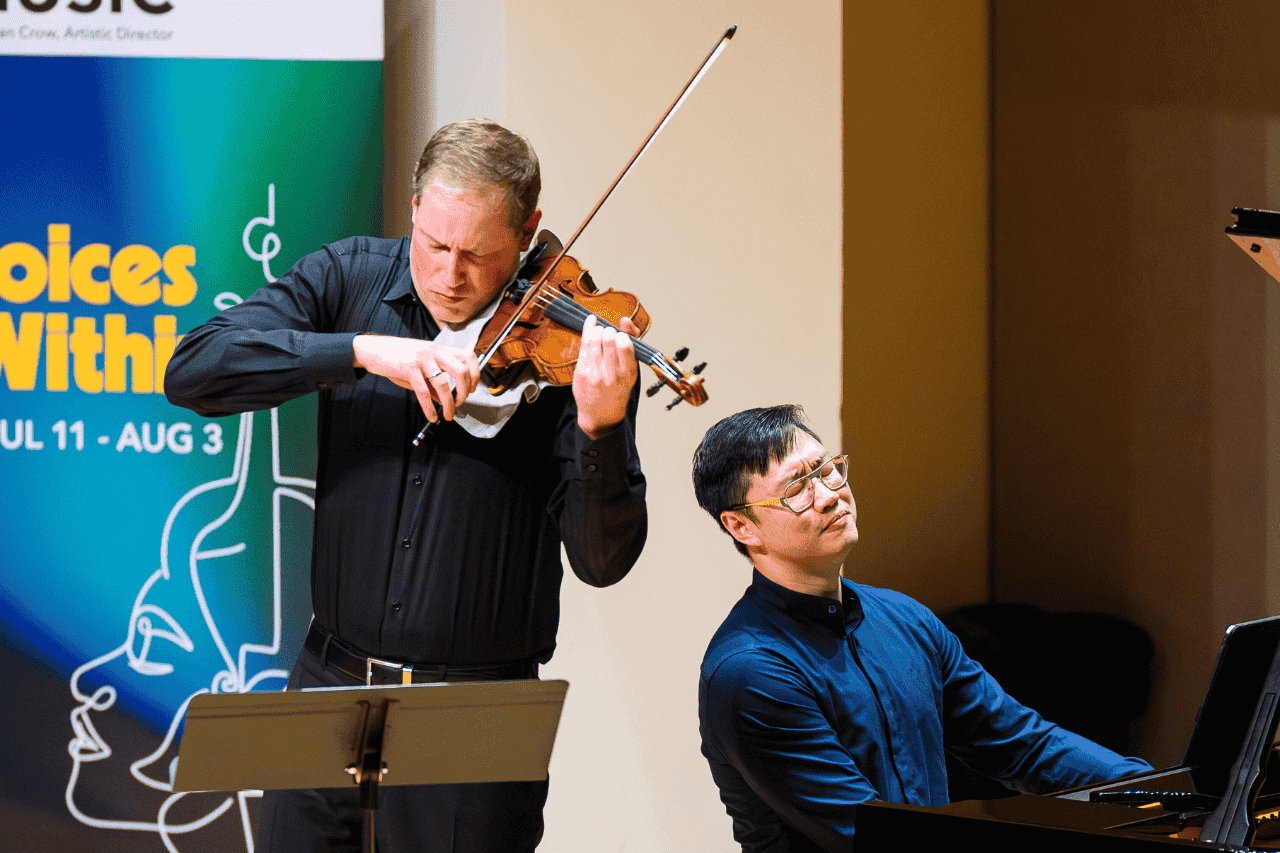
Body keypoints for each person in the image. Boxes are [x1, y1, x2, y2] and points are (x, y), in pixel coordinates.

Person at [164, 119, 648, 853]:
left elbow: (602, 560)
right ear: (414, 209)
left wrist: (600, 429)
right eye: (434, 244)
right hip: (328, 681)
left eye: (479, 254)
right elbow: (193, 369)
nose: (450, 275)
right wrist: (358, 349)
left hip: (478, 711)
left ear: (528, 232)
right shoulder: (349, 277)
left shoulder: (574, 353)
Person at [691, 405, 1149, 853]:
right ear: (741, 526)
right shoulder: (751, 672)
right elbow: (870, 832)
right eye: (796, 487)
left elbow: (1021, 744)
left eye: (827, 470)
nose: (830, 494)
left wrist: (1152, 790)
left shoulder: (904, 618)